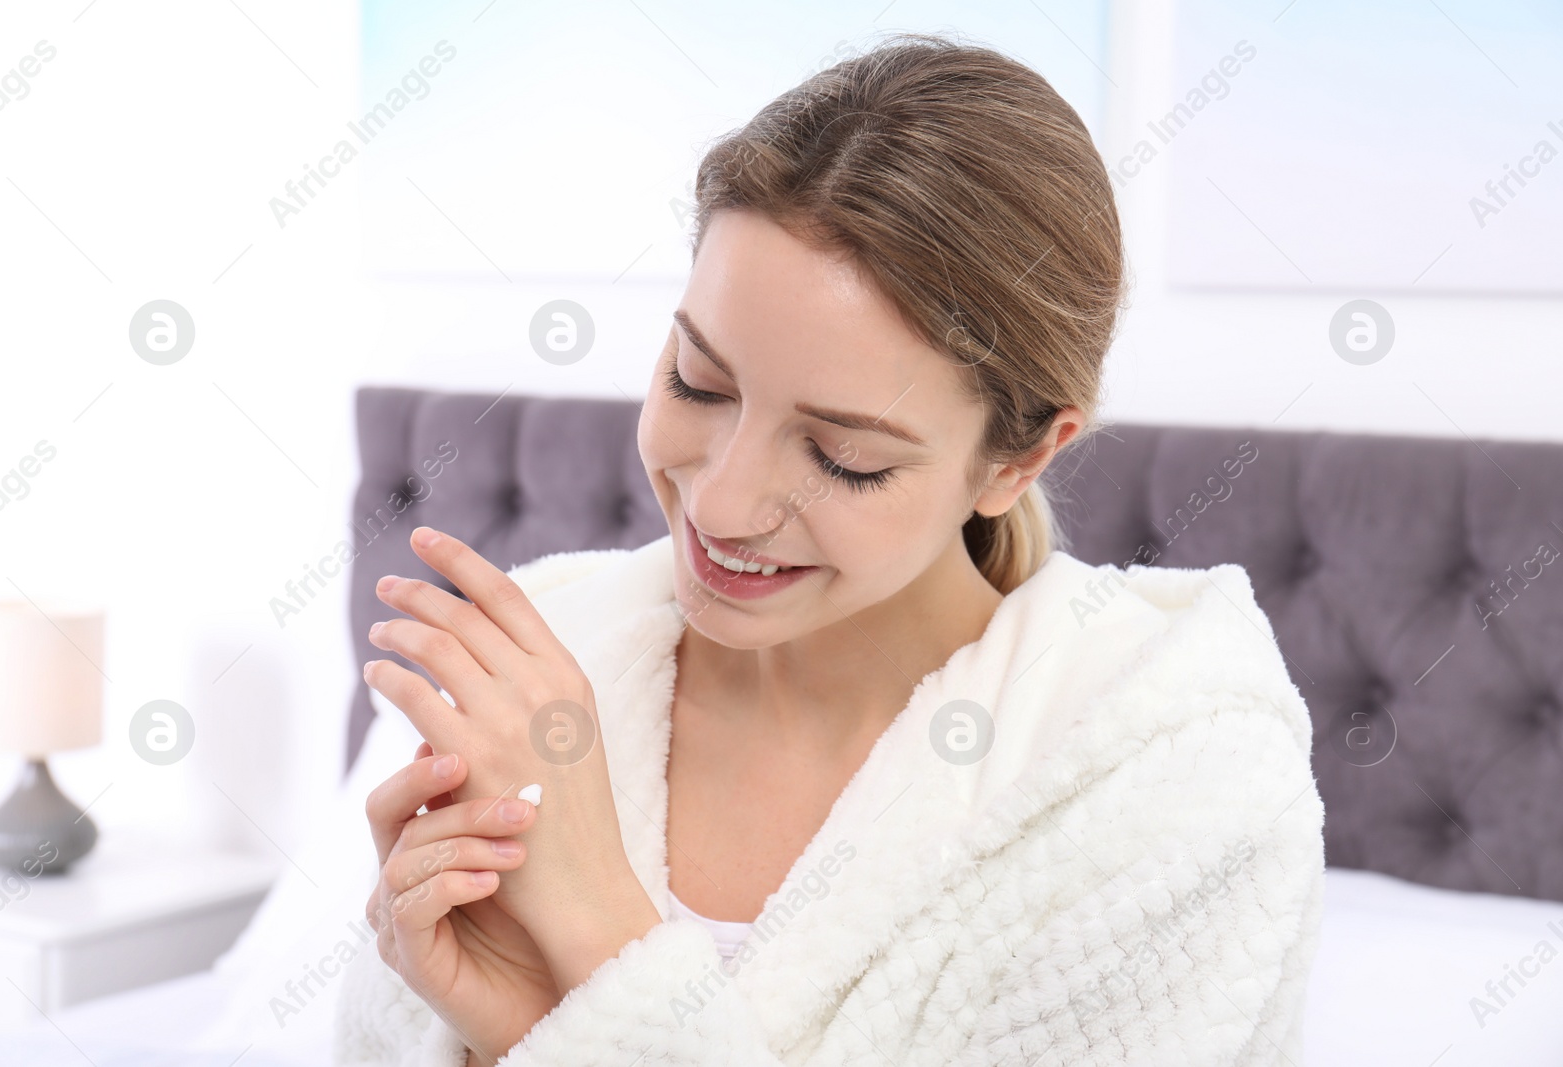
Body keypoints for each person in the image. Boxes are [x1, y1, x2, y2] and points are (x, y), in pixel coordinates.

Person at [334, 30, 1325, 1066]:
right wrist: (497, 1024)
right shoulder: (544, 665)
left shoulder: (1174, 790)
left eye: (844, 457)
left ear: (1018, 458)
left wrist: (596, 931)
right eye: (698, 383)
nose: (721, 503)